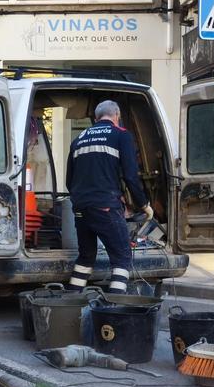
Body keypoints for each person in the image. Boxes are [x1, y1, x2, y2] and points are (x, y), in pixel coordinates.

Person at [64, 100, 152, 294]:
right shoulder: (121, 135)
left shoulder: (78, 139)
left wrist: (83, 200)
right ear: (117, 116)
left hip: (80, 208)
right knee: (122, 258)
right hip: (105, 207)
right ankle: (114, 307)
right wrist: (143, 204)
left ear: (96, 118)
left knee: (86, 258)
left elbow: (69, 181)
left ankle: (70, 301)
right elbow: (130, 175)